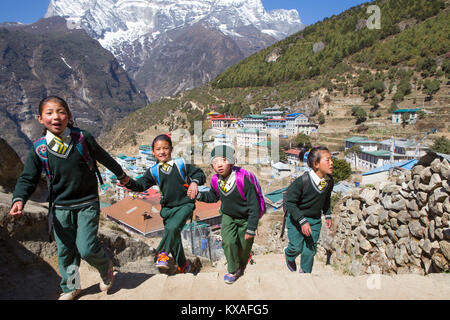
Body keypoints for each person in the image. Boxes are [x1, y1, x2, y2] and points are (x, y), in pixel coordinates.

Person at [9, 96, 129, 300]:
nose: (56, 117)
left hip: (87, 203)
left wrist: (121, 175)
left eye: (61, 112)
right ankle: (72, 286)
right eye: (49, 113)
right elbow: (28, 178)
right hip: (60, 207)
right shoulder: (39, 149)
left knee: (86, 247)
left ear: (69, 116)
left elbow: (103, 156)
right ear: (40, 118)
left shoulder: (82, 138)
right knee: (66, 252)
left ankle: (105, 266)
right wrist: (19, 199)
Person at [120, 134, 205, 273]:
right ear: (153, 152)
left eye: (165, 148)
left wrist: (194, 183)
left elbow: (199, 173)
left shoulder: (180, 164)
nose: (162, 152)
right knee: (174, 238)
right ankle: (183, 265)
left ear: (171, 149)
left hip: (185, 204)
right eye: (158, 149)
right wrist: (128, 183)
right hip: (167, 209)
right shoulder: (154, 171)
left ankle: (162, 253)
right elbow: (141, 185)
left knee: (172, 229)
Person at [196, 145, 260, 284]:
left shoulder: (243, 180)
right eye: (215, 161)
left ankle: (242, 263)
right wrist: (199, 195)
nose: (219, 164)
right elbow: (213, 196)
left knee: (244, 246)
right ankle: (234, 269)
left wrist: (251, 227)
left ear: (231, 161)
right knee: (228, 242)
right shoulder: (215, 180)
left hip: (245, 218)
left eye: (224, 160)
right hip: (228, 216)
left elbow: (254, 206)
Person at [284, 146, 334, 274]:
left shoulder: (329, 181)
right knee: (296, 247)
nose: (332, 163)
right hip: (296, 219)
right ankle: (289, 255)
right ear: (316, 164)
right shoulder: (302, 182)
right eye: (327, 160)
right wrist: (301, 220)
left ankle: (305, 273)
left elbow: (326, 199)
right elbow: (290, 202)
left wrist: (327, 214)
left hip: (315, 220)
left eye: (331, 159)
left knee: (310, 249)